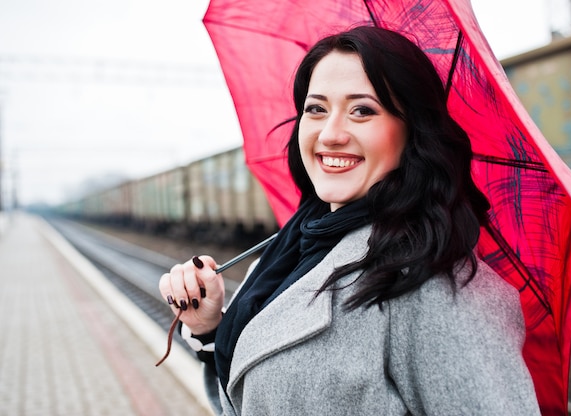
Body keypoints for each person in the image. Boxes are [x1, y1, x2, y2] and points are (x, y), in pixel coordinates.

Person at [158, 25, 541, 415]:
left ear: (413, 132)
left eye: (362, 110)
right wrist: (209, 329)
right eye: (316, 109)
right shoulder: (287, 253)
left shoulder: (440, 289)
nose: (331, 134)